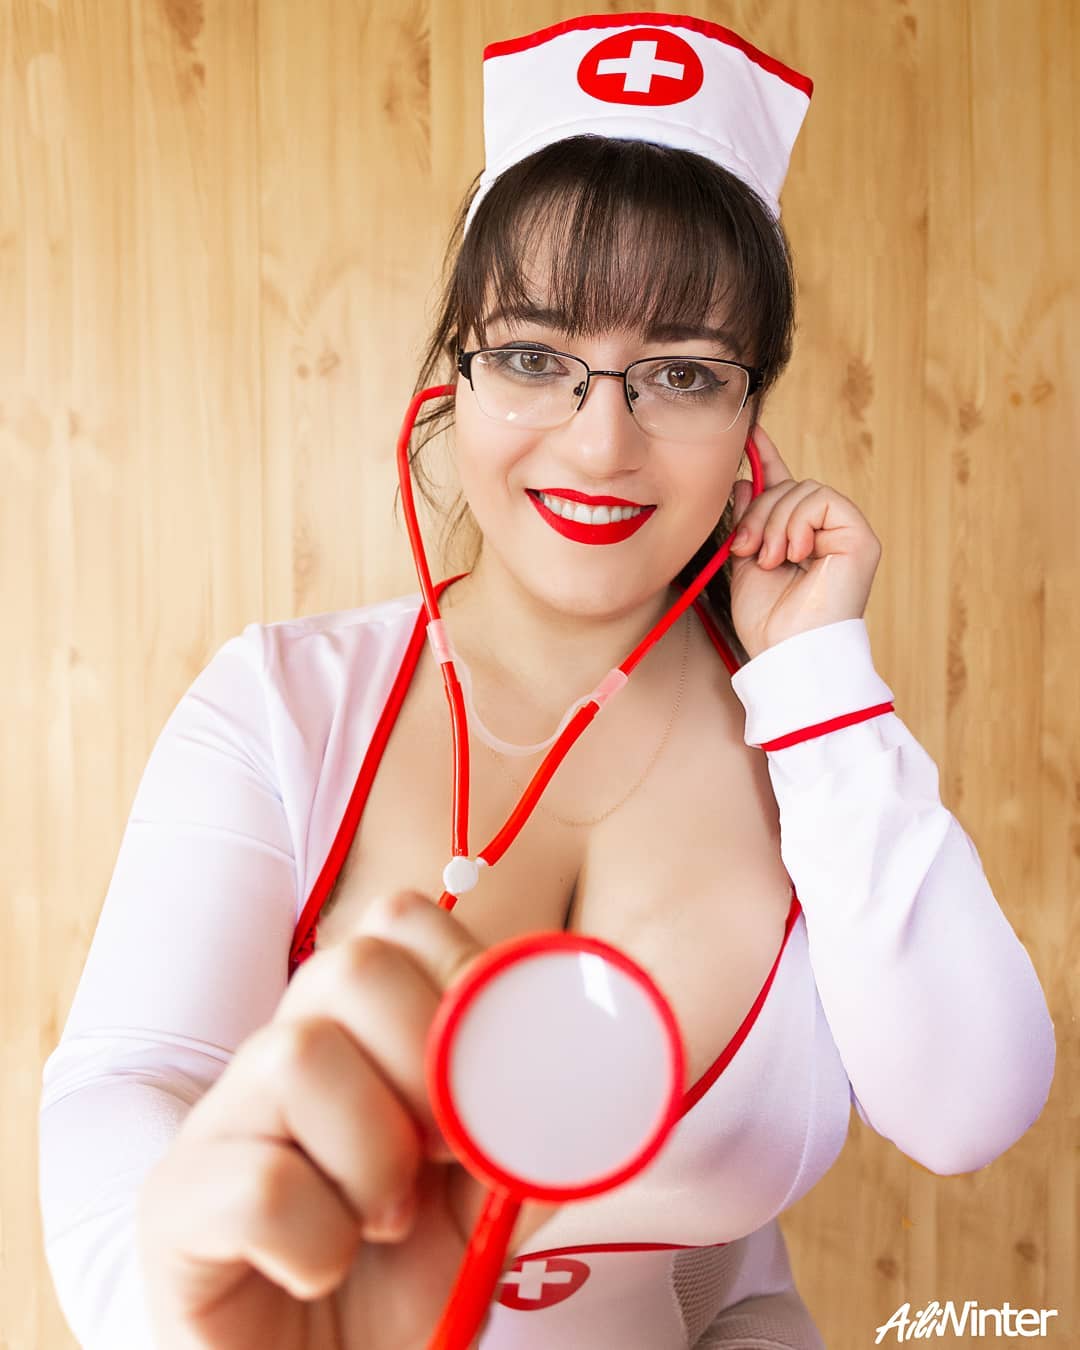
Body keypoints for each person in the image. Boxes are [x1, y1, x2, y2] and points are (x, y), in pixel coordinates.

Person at [38, 13, 1056, 1350]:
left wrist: (818, 681)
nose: (600, 442)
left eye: (681, 373)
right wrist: (189, 1305)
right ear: (455, 375)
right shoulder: (286, 703)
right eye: (533, 355)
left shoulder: (808, 741)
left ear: (753, 421)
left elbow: (968, 1107)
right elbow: (129, 1085)